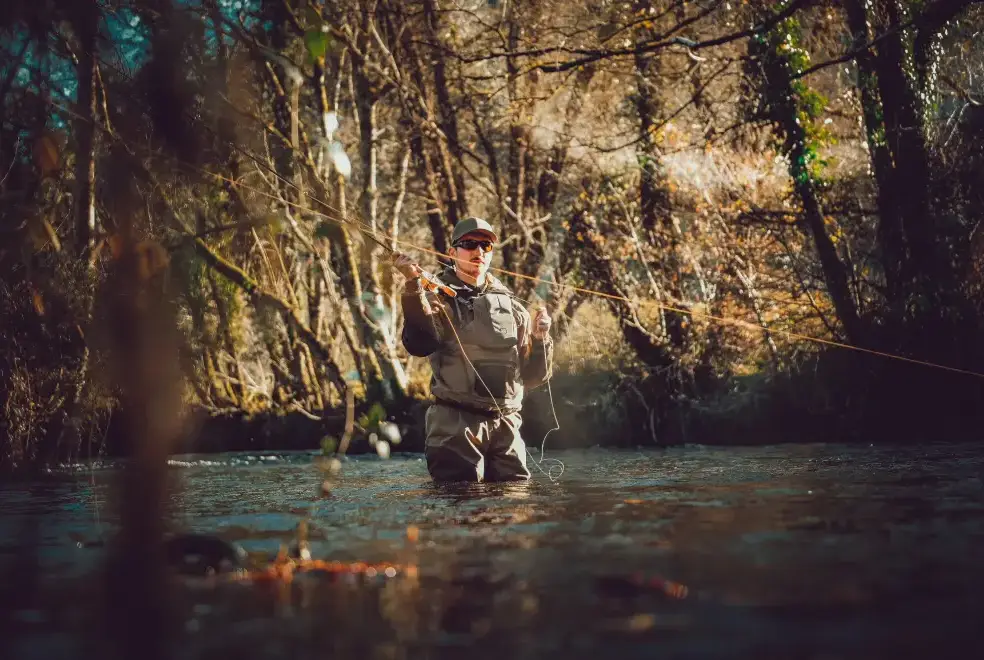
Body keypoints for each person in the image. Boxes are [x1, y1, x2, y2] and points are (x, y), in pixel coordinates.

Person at [393, 217, 553, 482]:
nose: (479, 252)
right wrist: (412, 286)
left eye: (486, 246)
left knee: (513, 508)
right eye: (470, 244)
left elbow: (533, 377)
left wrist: (541, 338)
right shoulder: (434, 297)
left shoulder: (514, 307)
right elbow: (420, 345)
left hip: (507, 427)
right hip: (456, 426)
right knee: (460, 508)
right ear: (453, 253)